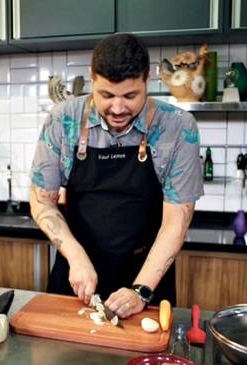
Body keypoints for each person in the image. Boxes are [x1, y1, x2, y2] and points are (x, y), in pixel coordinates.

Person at [29, 33, 203, 319]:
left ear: (148, 79)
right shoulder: (64, 120)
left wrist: (141, 290)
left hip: (147, 274)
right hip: (77, 275)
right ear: (92, 78)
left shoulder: (177, 126)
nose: (118, 108)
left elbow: (177, 220)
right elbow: (42, 201)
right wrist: (75, 255)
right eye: (106, 95)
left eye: (130, 96)